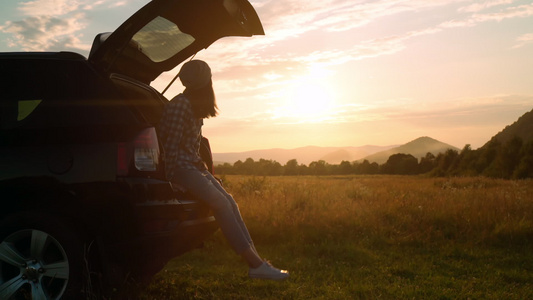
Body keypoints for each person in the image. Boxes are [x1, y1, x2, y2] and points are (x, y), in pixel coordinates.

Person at [158, 60, 289, 280]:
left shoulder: (192, 104)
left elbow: (190, 147)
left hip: (191, 166)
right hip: (180, 168)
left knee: (229, 201)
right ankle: (255, 265)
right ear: (205, 81)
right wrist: (171, 179)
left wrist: (206, 173)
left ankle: (257, 262)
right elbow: (169, 145)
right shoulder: (180, 104)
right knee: (219, 203)